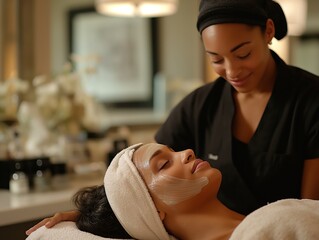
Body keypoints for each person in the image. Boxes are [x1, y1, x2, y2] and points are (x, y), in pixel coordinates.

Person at [155, 0, 319, 215]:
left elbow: (311, 214)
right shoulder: (199, 105)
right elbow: (150, 176)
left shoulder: (311, 99)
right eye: (217, 59)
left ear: (268, 32)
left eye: (243, 54)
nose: (232, 72)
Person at [26, 143, 319, 240]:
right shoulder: (264, 230)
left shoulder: (265, 221)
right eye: (164, 163)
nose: (188, 151)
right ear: (152, 211)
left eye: (173, 150)